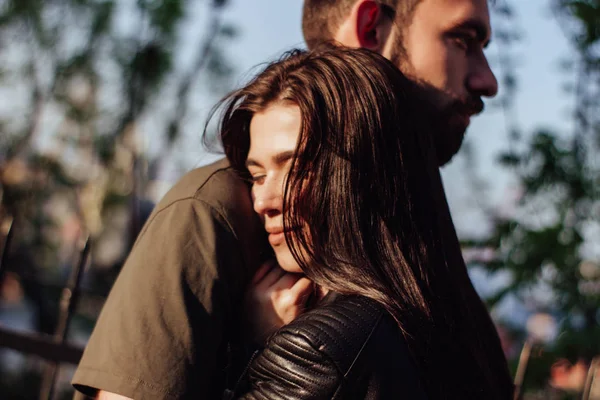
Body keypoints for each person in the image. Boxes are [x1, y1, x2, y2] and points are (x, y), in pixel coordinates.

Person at [72, 0, 501, 398]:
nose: (488, 80)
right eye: (461, 39)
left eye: (296, 165)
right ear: (371, 26)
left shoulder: (421, 236)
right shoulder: (217, 207)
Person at [218, 46, 513, 399]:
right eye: (258, 175)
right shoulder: (464, 325)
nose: (264, 202)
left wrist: (255, 344)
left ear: (365, 174)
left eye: (295, 167)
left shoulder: (317, 352)